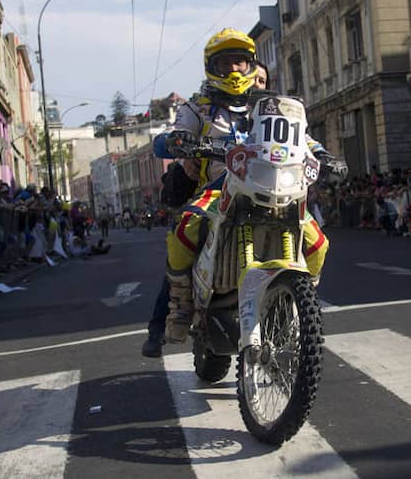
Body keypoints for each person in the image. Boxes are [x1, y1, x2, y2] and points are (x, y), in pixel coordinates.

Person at [141, 28, 340, 358]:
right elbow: (171, 136)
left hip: (276, 188)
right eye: (225, 63)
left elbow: (303, 139)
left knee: (319, 243)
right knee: (184, 229)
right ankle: (179, 304)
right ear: (212, 67)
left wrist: (324, 155)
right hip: (218, 190)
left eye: (240, 62)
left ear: (251, 66)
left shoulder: (273, 106)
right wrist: (176, 142)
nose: (234, 70)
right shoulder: (198, 108)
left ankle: (302, 300)